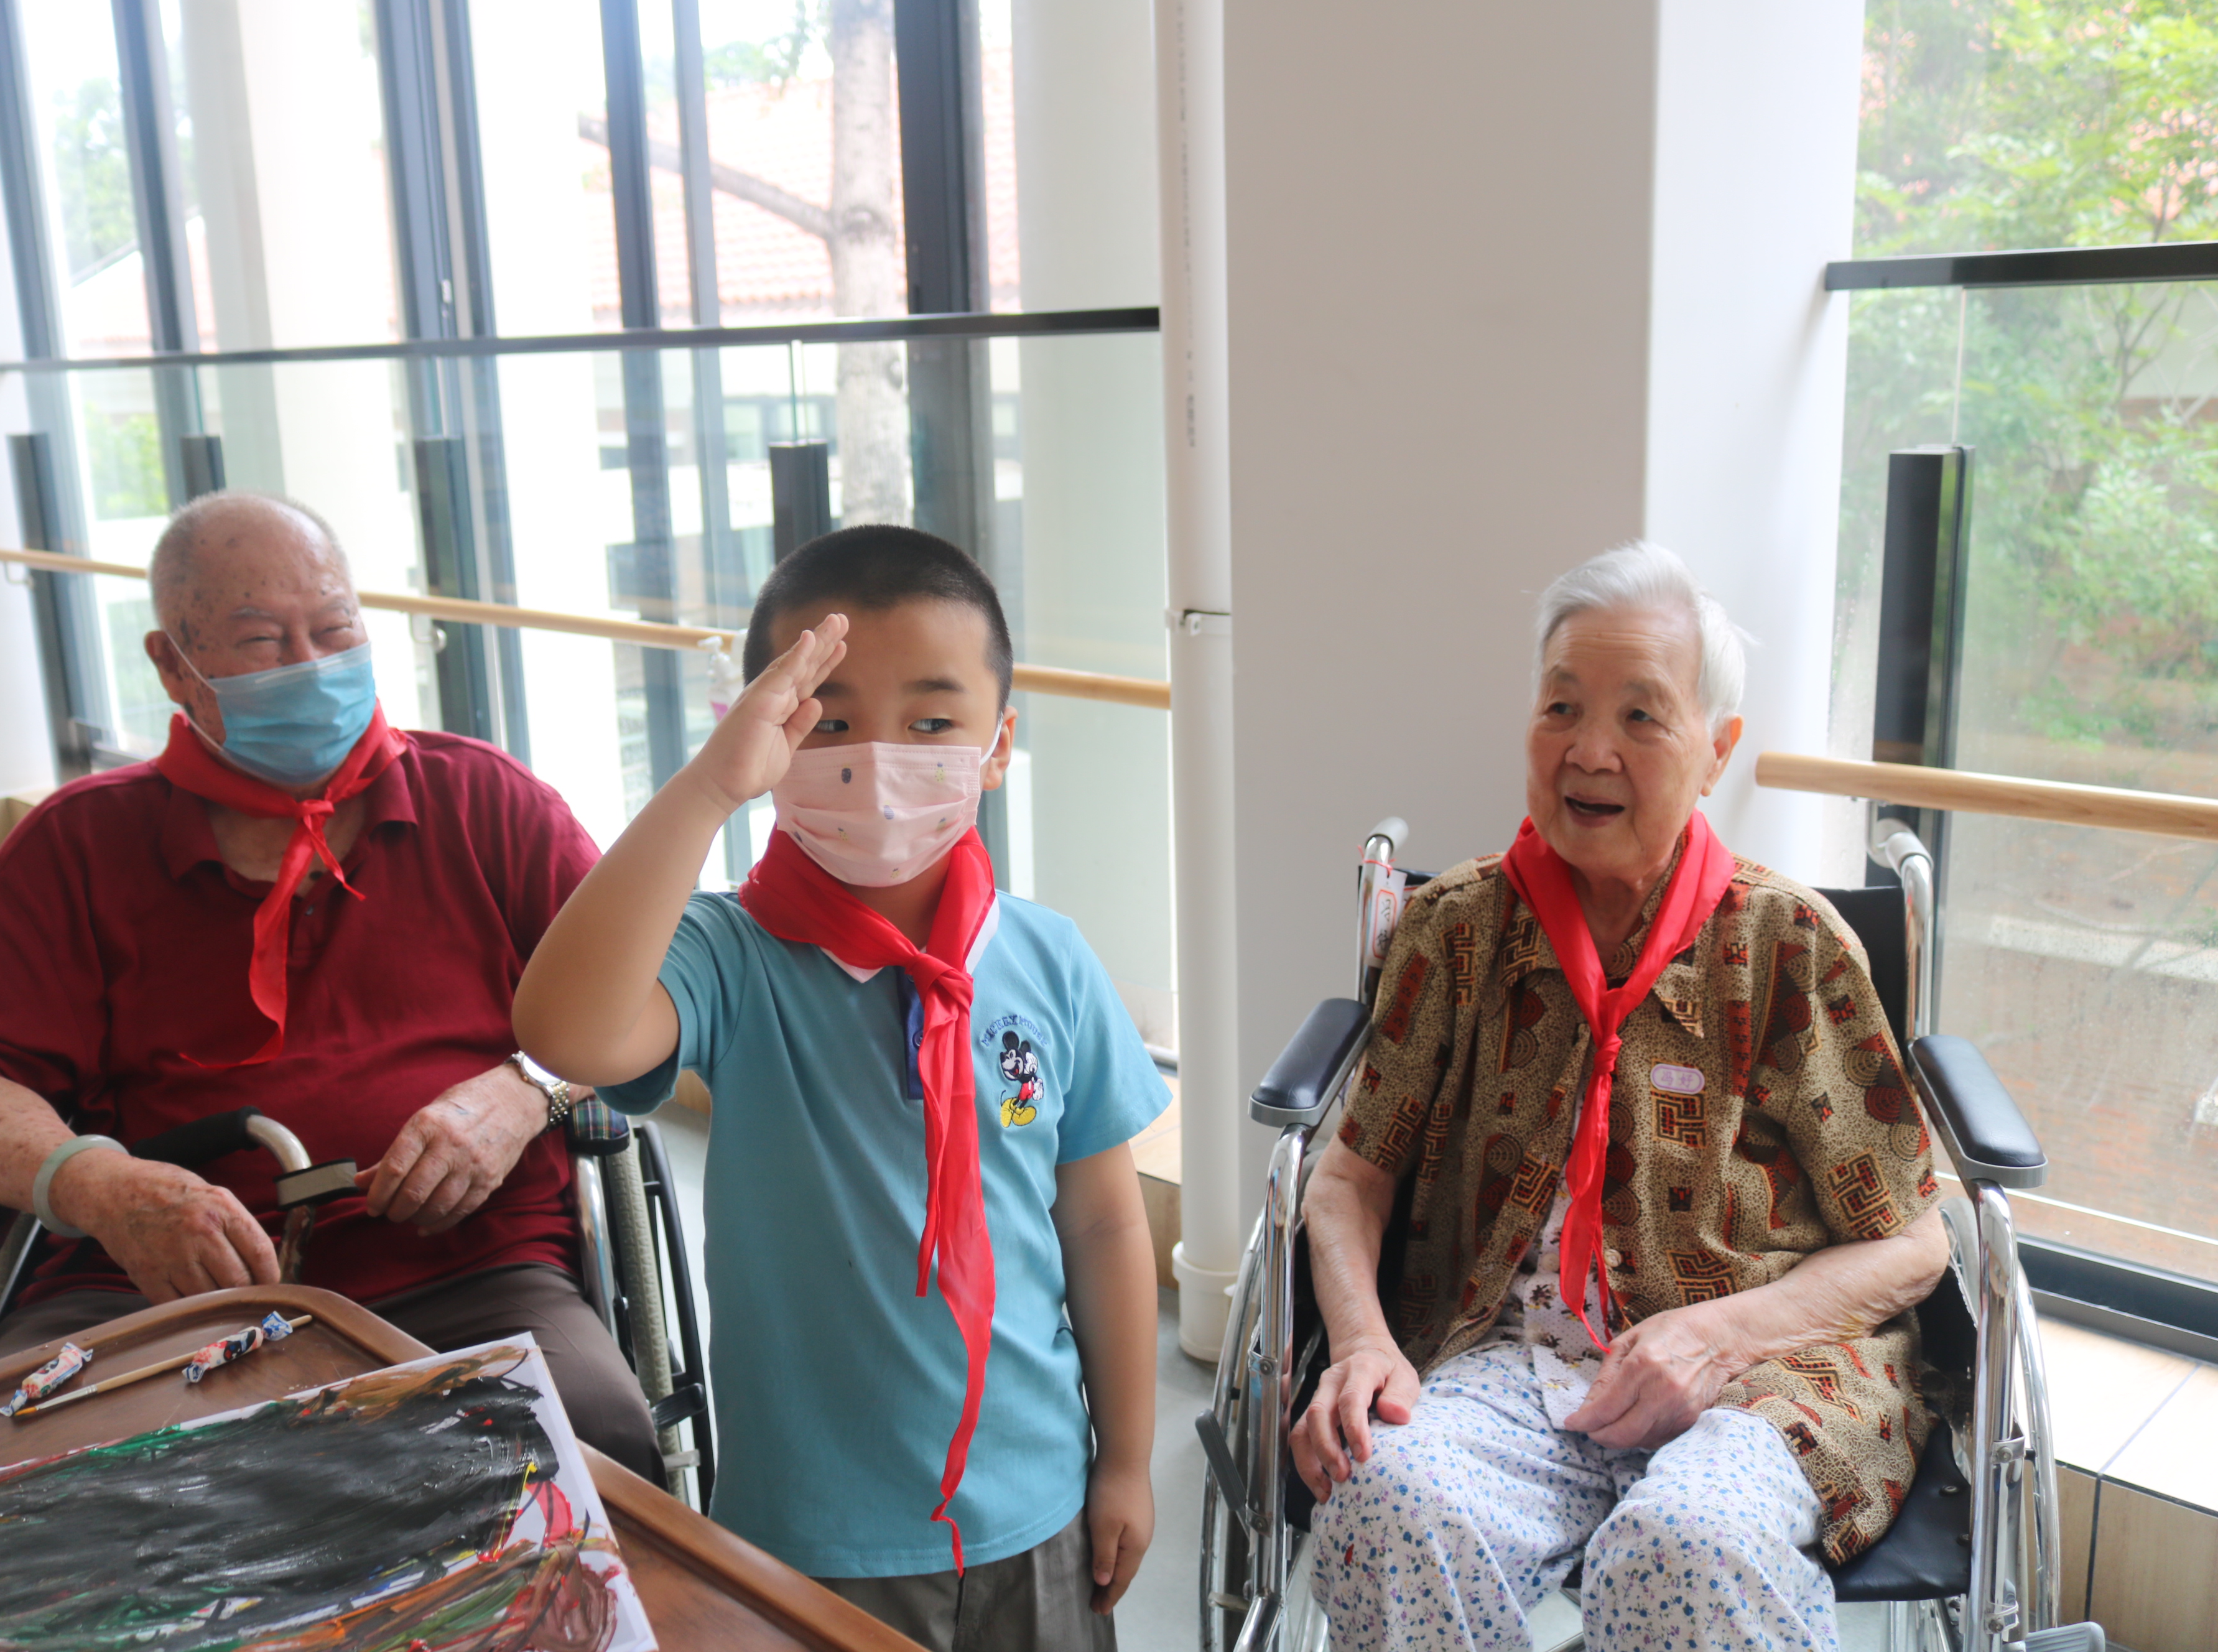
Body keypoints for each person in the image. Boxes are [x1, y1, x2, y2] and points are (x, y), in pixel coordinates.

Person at [0, 491, 660, 1478]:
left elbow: (643, 997)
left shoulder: (486, 802)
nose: (312, 665)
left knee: (590, 1446)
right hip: (150, 1291)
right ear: (175, 665)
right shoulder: (77, 846)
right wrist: (102, 1186)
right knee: (34, 1492)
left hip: (469, 1271)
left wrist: (521, 1093)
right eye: (261, 640)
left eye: (335, 630)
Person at [514, 526, 1164, 1651]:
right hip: (812, 1530)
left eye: (932, 722)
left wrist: (1128, 1461)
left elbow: (1103, 1224)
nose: (879, 762)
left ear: (999, 745)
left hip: (1037, 1505)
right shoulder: (732, 953)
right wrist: (709, 789)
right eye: (828, 722)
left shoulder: (1048, 958)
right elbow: (566, 1029)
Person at [1290, 542, 1949, 1652]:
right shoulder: (1456, 932)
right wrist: (1359, 1341)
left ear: (1717, 750)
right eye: (1562, 707)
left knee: (1688, 1546)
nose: (1589, 750)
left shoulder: (1788, 948)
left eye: (1642, 716)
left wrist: (1717, 1337)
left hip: (1765, 1375)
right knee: (1383, 1506)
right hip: (1511, 1361)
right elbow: (1348, 1177)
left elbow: (1916, 1243)